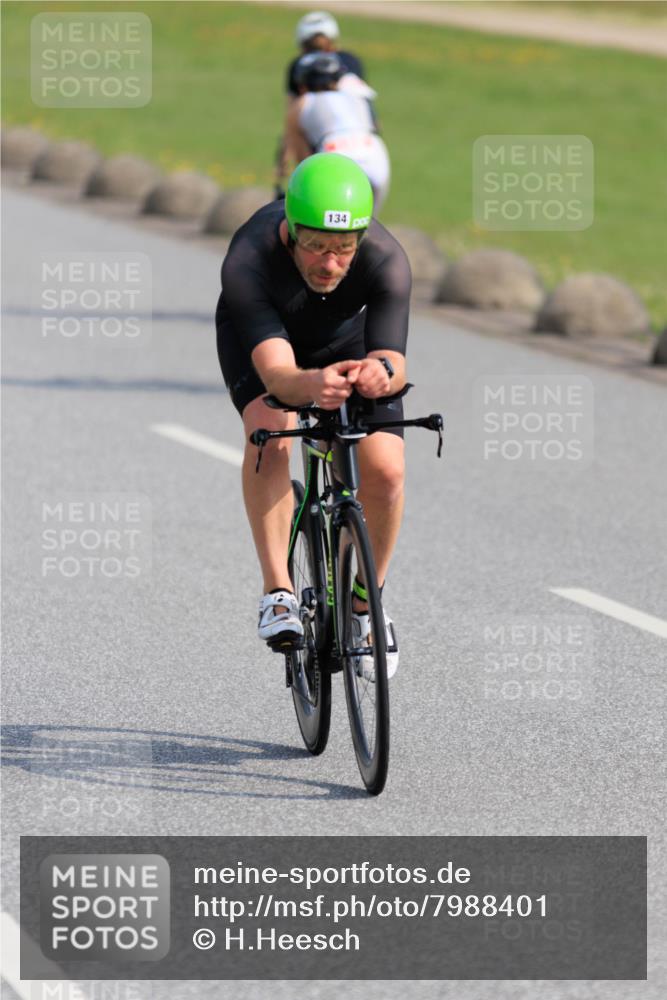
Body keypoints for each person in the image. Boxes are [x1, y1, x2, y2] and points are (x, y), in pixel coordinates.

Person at [215, 153, 411, 678]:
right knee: (271, 433)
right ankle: (277, 591)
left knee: (387, 471)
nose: (330, 263)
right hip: (269, 343)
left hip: (346, 342)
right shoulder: (248, 258)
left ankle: (366, 607)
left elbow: (394, 360)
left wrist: (379, 372)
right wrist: (311, 385)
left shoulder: (387, 259)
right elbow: (279, 376)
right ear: (290, 231)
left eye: (344, 249)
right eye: (317, 246)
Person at [276, 10, 374, 195]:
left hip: (327, 148)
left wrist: (284, 157)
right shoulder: (351, 62)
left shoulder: (299, 66)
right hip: (371, 149)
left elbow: (292, 117)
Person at [285, 51, 390, 210]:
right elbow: (377, 124)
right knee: (368, 218)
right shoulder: (355, 87)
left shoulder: (301, 104)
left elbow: (304, 162)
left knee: (325, 216)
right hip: (374, 152)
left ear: (302, 85)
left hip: (334, 154)